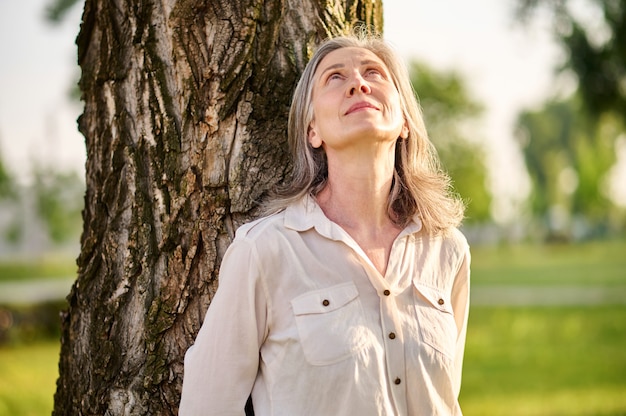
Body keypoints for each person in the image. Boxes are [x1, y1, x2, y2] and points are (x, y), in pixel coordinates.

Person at [179, 31, 471, 416]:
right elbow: (206, 407)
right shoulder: (264, 251)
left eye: (374, 73)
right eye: (336, 77)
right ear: (312, 131)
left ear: (404, 122)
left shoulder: (447, 249)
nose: (359, 83)